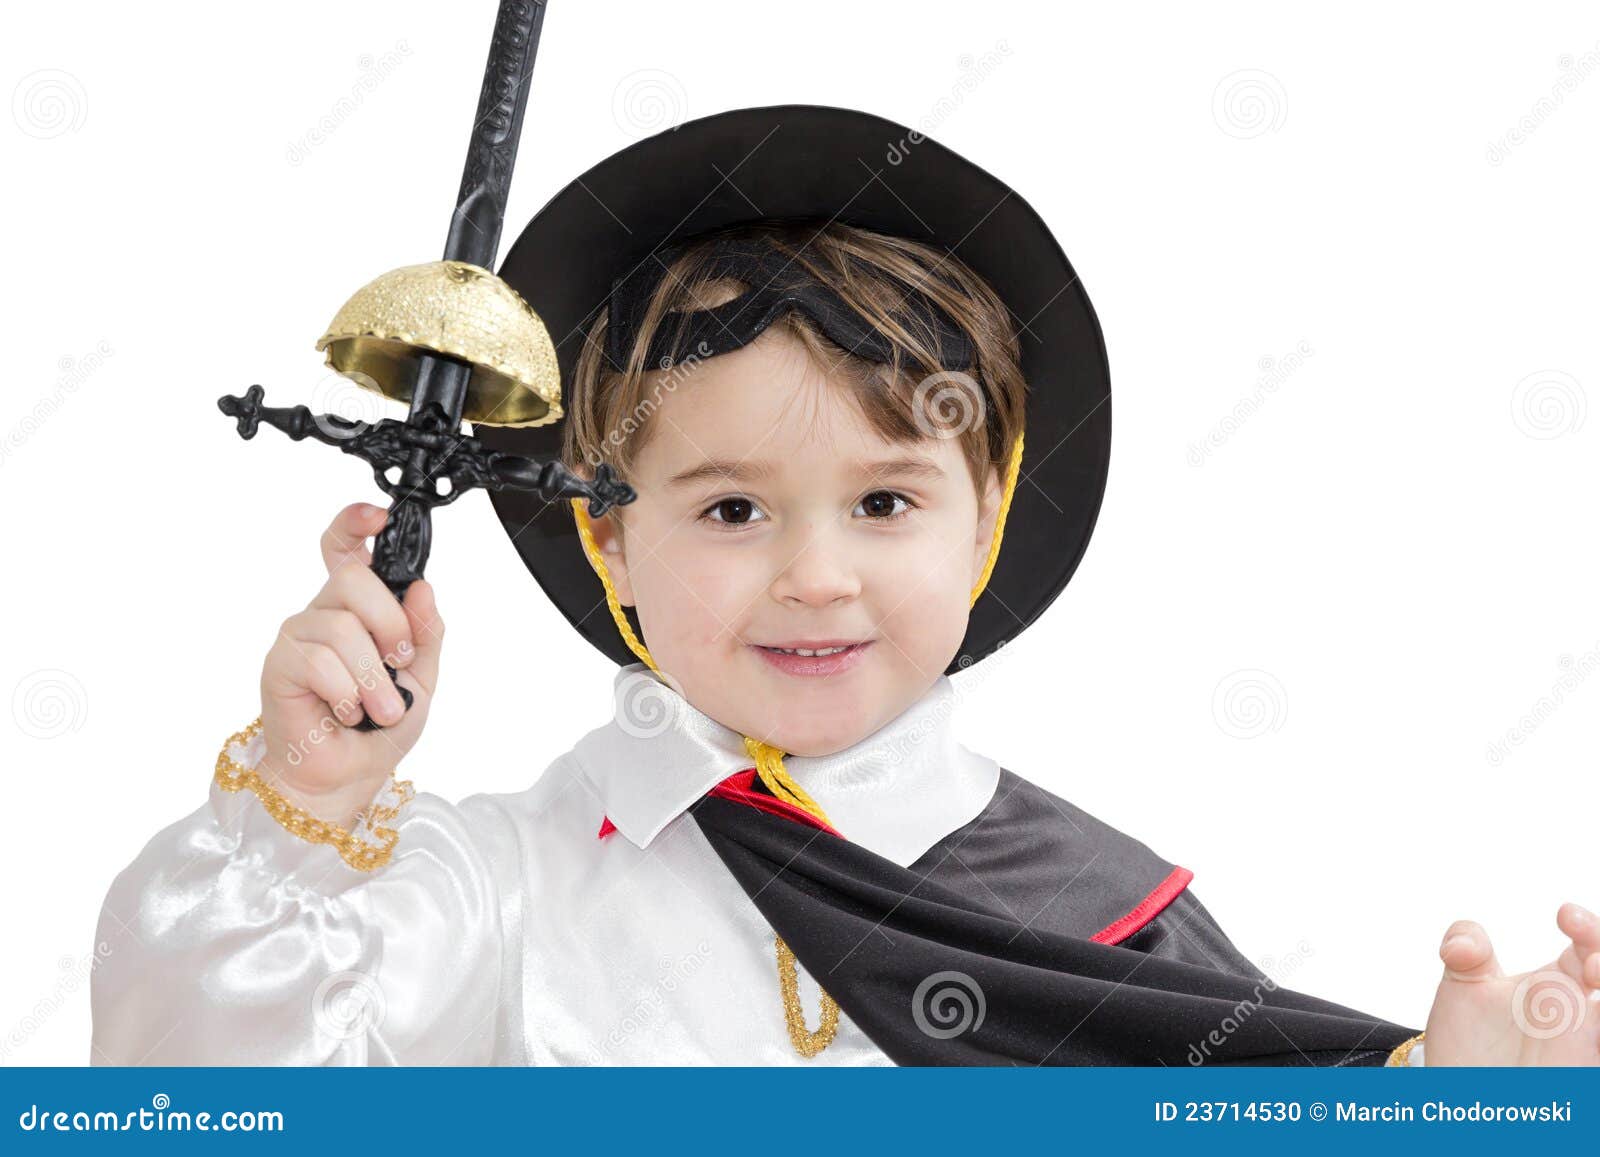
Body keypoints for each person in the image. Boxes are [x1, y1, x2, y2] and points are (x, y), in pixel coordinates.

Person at [91, 106, 1600, 1067]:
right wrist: (305, 807)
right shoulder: (501, 887)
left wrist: (1441, 1104)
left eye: (886, 500)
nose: (815, 576)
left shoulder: (1106, 918)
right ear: (607, 536)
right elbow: (212, 1093)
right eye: (732, 506)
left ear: (985, 523)